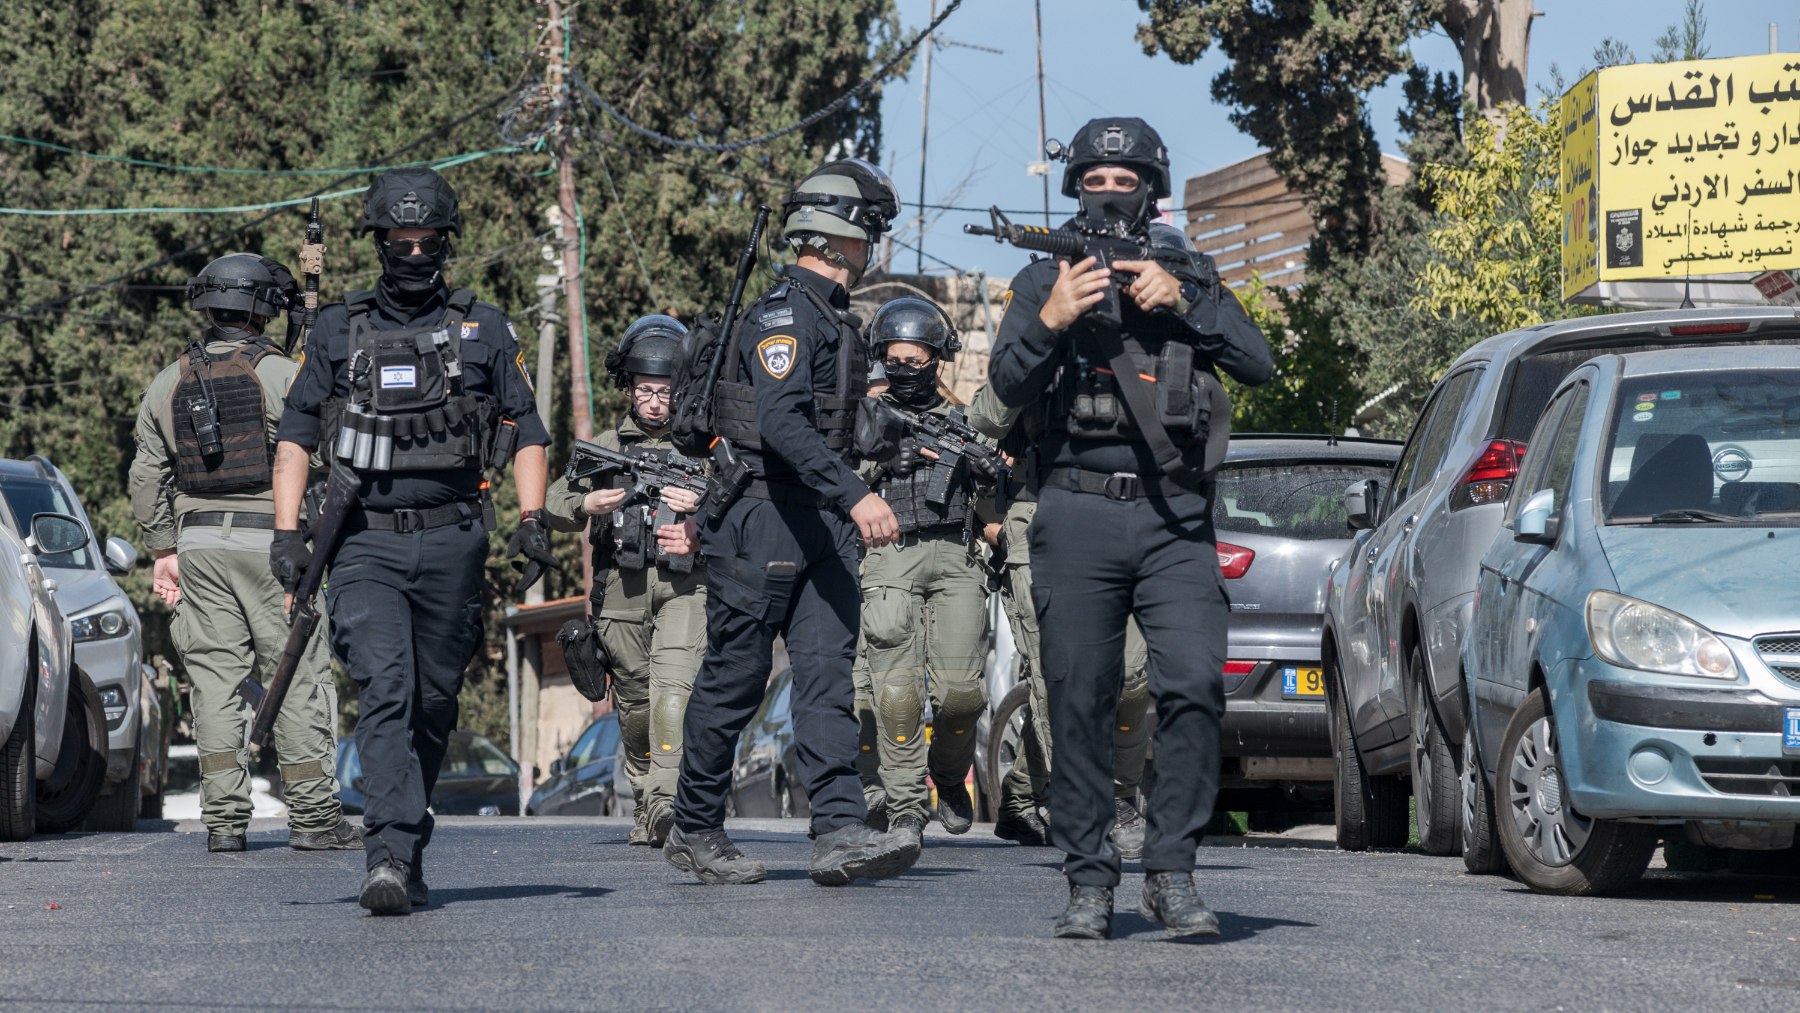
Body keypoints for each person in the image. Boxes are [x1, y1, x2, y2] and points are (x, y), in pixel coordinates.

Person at [987, 117, 1273, 939]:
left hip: (1174, 511)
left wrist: (1184, 300)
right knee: (1079, 695)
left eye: (1126, 181)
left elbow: (1256, 361)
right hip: (1074, 507)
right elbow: (1006, 384)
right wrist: (1052, 316)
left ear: (1154, 190)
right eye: (1093, 181)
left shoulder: (1188, 270)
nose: (1109, 194)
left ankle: (1172, 871)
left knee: (1193, 683)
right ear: (1073, 186)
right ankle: (1088, 878)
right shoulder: (1044, 274)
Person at [271, 168, 552, 915]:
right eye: (402, 240)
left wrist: (531, 518)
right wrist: (287, 529)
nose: (416, 251)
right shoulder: (336, 327)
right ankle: (388, 852)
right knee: (387, 689)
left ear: (446, 243)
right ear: (380, 243)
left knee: (433, 700)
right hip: (363, 541)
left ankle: (408, 835)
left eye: (428, 240)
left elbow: (526, 428)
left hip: (456, 539)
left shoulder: (484, 327)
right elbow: (297, 433)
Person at [664, 157, 918, 887]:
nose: (874, 250)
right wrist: (855, 494)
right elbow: (779, 422)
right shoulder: (784, 314)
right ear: (841, 238)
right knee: (737, 678)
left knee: (826, 679)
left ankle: (839, 829)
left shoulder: (839, 322)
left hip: (822, 526)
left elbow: (834, 423)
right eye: (870, 234)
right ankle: (695, 825)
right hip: (765, 516)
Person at [128, 253, 362, 855]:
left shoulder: (167, 381)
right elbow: (327, 453)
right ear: (263, 310)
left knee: (214, 682)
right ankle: (313, 819)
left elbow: (147, 475)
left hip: (198, 542)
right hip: (274, 541)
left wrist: (163, 549)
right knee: (295, 672)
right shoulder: (284, 373)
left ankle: (224, 822)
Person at [963, 383, 1152, 857]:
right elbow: (983, 422)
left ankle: (1026, 795)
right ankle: (1101, 802)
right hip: (1038, 510)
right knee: (1058, 676)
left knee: (1130, 674)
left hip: (1120, 511)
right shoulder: (1039, 326)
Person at [545, 315, 705, 847]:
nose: (655, 402)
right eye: (646, 391)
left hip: (686, 588)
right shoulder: (605, 447)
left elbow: (746, 509)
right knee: (636, 707)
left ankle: (665, 803)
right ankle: (645, 800)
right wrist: (586, 503)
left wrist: (702, 510)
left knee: (673, 697)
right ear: (631, 390)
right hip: (621, 593)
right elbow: (552, 502)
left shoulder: (704, 449)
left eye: (665, 391)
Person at [850, 297, 997, 850]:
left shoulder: (961, 420)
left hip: (956, 557)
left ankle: (947, 775)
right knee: (897, 691)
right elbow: (835, 475)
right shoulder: (863, 414)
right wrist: (885, 460)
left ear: (938, 359)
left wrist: (986, 473)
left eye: (918, 360)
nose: (907, 369)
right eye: (896, 359)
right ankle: (906, 804)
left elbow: (990, 505)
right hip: (888, 553)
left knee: (962, 694)